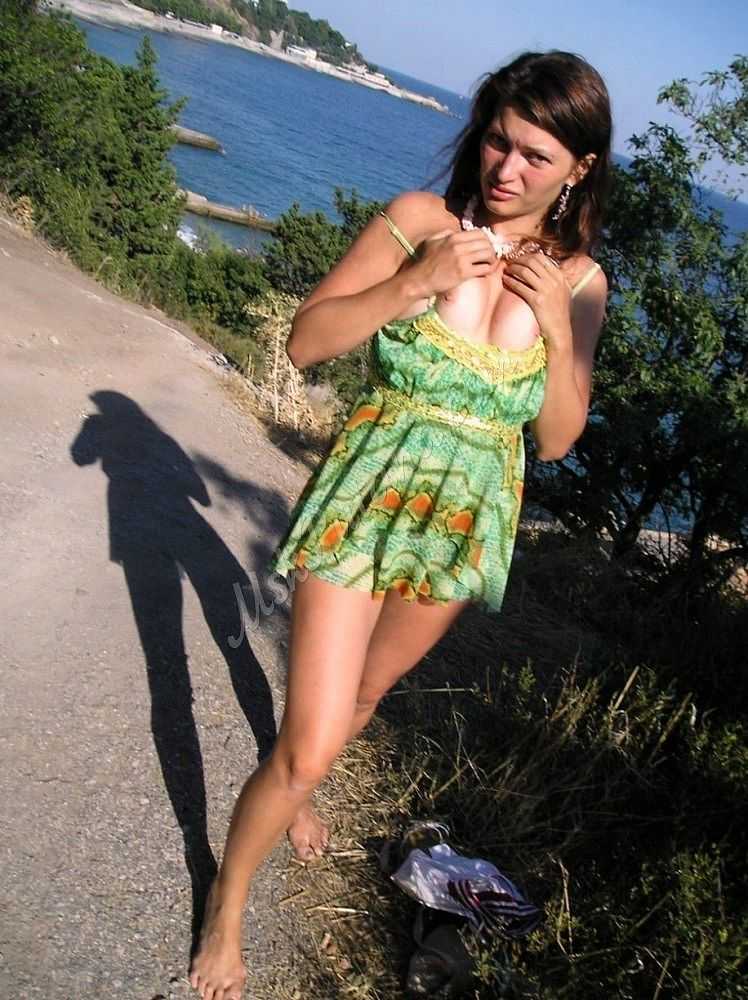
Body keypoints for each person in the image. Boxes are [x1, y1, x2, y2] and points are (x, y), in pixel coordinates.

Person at [189, 48, 611, 999]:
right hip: (366, 497)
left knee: (364, 695)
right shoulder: (423, 221)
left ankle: (299, 788)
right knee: (309, 740)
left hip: (462, 527)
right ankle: (228, 902)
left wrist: (554, 330)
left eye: (536, 156)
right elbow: (307, 341)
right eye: (498, 142)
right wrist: (414, 283)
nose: (507, 170)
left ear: (579, 168)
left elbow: (555, 439)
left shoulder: (582, 282)